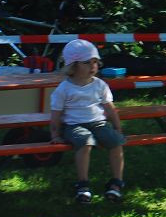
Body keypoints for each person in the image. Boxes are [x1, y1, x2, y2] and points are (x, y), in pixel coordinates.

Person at [49, 39, 125, 203]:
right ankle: (83, 185)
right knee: (85, 142)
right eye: (87, 63)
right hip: (73, 125)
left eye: (95, 62)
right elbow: (56, 114)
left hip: (98, 123)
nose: (93, 66)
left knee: (116, 142)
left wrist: (117, 126)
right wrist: (55, 134)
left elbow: (109, 108)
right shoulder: (64, 88)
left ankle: (116, 183)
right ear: (73, 66)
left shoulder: (100, 85)